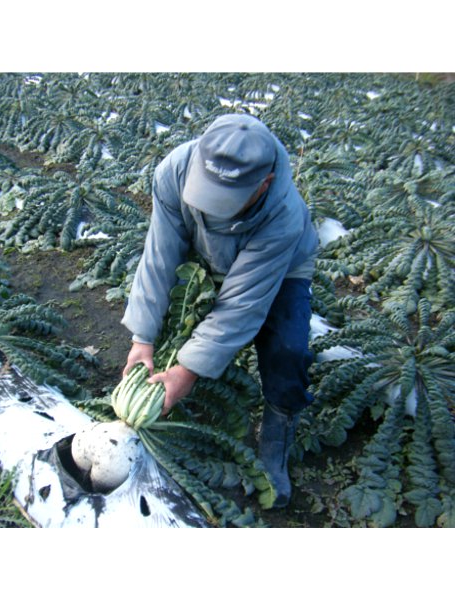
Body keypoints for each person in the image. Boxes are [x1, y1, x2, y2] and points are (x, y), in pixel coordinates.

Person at [121, 113, 319, 508]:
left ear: (263, 184)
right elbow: (159, 258)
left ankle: (279, 424)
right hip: (205, 250)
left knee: (286, 348)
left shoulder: (283, 217)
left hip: (280, 268)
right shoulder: (174, 170)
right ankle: (167, 390)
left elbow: (240, 307)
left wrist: (188, 370)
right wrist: (142, 337)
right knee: (172, 318)